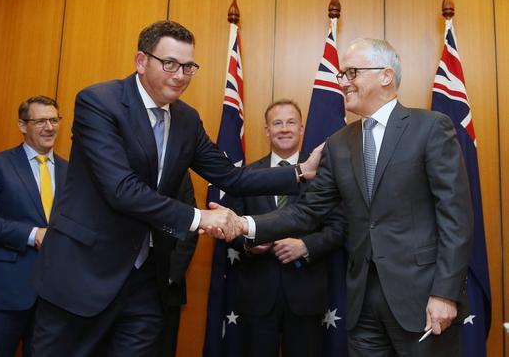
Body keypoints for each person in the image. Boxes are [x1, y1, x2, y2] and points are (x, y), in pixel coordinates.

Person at [31, 20, 322, 356]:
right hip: (82, 272)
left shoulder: (186, 118)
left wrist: (301, 171)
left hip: (145, 277)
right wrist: (199, 218)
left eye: (188, 66)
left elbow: (231, 177)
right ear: (141, 61)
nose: (180, 75)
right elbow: (122, 190)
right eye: (169, 63)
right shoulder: (99, 102)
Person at [212, 38, 473, 357]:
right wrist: (245, 225)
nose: (343, 82)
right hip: (362, 302)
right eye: (341, 74)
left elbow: (456, 218)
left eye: (352, 73)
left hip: (422, 299)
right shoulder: (338, 144)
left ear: (385, 76)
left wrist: (445, 294)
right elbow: (306, 213)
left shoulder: (431, 128)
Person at [225, 100, 345, 356]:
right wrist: (249, 244)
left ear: (301, 129)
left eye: (291, 122)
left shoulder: (324, 175)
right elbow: (230, 227)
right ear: (267, 130)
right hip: (257, 294)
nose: (284, 129)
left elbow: (339, 228)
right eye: (277, 123)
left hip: (306, 295)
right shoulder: (246, 176)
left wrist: (305, 245)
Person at [0, 96, 67, 357]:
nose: (50, 127)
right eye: (40, 121)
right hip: (5, 291)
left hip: (55, 296)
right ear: (22, 126)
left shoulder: (73, 171)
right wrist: (33, 234)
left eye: (54, 120)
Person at [155, 171, 199, 357]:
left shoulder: (180, 170)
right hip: (120, 283)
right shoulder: (121, 161)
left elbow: (190, 226)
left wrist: (172, 274)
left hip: (167, 287)